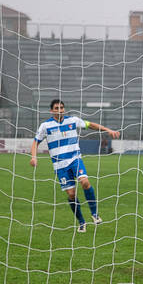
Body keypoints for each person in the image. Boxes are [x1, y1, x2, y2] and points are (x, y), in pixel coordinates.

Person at [30, 99, 120, 233]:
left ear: (64, 109)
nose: (59, 110)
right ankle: (81, 222)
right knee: (71, 194)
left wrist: (107, 130)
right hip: (60, 165)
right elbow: (35, 142)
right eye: (56, 108)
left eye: (61, 108)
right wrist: (33, 157)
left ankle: (95, 215)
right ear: (51, 110)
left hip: (75, 158)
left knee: (85, 182)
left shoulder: (72, 120)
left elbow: (91, 125)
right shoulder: (45, 126)